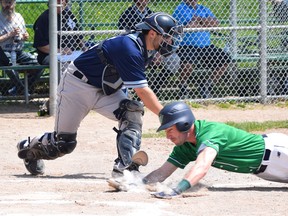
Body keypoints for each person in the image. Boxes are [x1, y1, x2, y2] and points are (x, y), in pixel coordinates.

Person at [16, 12, 184, 177]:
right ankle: (28, 146)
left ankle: (125, 167)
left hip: (106, 90)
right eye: (167, 37)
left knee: (132, 112)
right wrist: (166, 116)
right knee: (63, 144)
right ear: (152, 33)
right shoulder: (130, 48)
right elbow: (142, 91)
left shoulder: (145, 48)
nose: (170, 41)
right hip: (78, 86)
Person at [142, 101, 288, 199]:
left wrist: (178, 190)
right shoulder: (185, 145)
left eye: (170, 130)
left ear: (183, 124)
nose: (167, 136)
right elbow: (162, 172)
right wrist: (136, 183)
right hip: (268, 171)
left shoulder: (209, 133)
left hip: (279, 153)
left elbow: (202, 166)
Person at [118, 0, 180, 95]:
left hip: (154, 49)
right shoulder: (127, 14)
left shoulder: (152, 14)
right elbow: (125, 37)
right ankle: (138, 92)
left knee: (174, 60)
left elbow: (159, 37)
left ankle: (154, 88)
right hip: (137, 50)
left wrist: (158, 52)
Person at [172, 0, 231, 98]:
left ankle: (206, 86)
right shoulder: (180, 8)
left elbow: (216, 23)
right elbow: (190, 26)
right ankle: (183, 87)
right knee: (187, 64)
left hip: (205, 46)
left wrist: (199, 19)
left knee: (225, 60)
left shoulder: (203, 8)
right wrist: (205, 22)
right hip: (187, 45)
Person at [0, 0, 43, 95]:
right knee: (9, 66)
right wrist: (9, 35)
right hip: (3, 52)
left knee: (40, 65)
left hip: (19, 51)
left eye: (10, 2)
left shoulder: (19, 17)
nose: (8, 5)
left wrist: (24, 37)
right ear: (1, 3)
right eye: (5, 2)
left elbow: (22, 35)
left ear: (14, 3)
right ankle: (23, 90)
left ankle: (18, 89)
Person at [33, 0, 85, 66]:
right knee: (65, 64)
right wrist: (61, 51)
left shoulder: (69, 14)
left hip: (71, 54)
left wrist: (85, 49)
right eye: (58, 0)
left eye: (63, 0)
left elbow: (79, 37)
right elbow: (41, 46)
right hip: (50, 55)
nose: (61, 2)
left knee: (87, 60)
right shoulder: (44, 18)